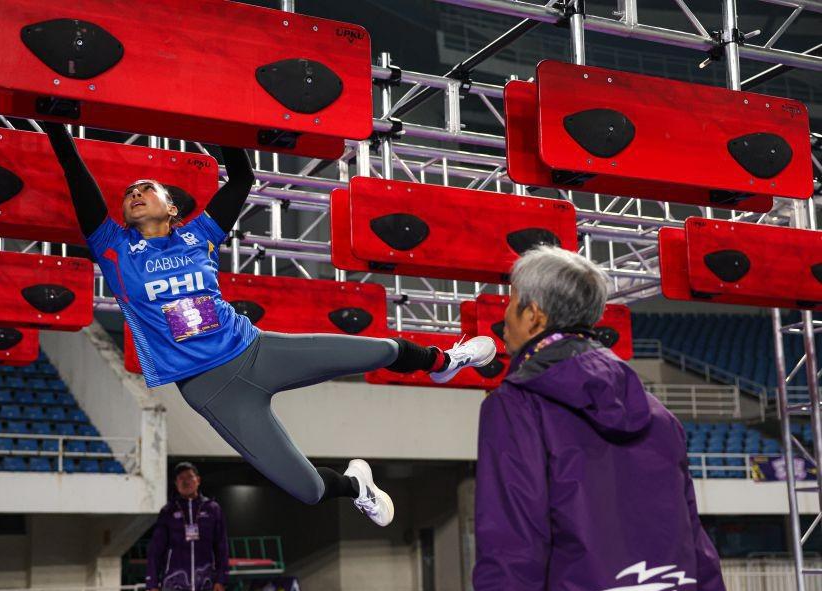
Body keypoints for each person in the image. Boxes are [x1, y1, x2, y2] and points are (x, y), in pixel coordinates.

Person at [41, 122, 496, 527]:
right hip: (213, 392)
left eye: (147, 188)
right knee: (309, 490)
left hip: (257, 352)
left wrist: (221, 125)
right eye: (129, 194)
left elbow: (242, 178)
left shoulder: (198, 235)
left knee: (380, 349)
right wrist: (56, 125)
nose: (135, 193)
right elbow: (72, 170)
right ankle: (357, 486)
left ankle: (444, 361)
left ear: (172, 208)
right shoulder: (113, 248)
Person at [474, 246, 736, 591]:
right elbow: (699, 555)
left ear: (534, 315)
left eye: (510, 302)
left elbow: (512, 553)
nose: (502, 318)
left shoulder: (516, 406)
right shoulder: (662, 419)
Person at [146, 462, 227, 591]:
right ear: (176, 484)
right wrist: (152, 582)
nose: (186, 481)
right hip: (172, 584)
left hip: (205, 583)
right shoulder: (168, 511)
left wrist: (221, 579)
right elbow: (156, 549)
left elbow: (221, 546)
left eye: (189, 477)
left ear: (198, 480)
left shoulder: (213, 509)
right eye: (181, 478)